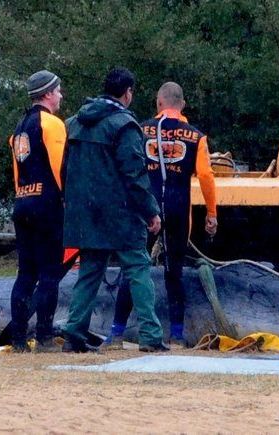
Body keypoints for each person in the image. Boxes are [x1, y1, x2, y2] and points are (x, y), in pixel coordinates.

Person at [61, 67, 169, 353]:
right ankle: (150, 335)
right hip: (120, 215)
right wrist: (151, 211)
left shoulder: (74, 123)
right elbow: (134, 175)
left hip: (85, 214)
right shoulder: (125, 125)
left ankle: (74, 333)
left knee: (89, 273)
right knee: (138, 269)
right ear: (127, 92)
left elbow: (64, 169)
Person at [105, 81, 217, 348]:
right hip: (178, 208)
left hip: (144, 207)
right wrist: (211, 213)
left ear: (158, 103)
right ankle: (176, 335)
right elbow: (205, 175)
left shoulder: (140, 129)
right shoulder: (195, 136)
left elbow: (126, 168)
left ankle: (116, 333)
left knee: (133, 268)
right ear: (183, 104)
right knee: (174, 271)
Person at [6, 70, 66, 353]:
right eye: (58, 91)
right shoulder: (52, 124)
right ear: (47, 94)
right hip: (46, 204)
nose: (61, 96)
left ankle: (18, 338)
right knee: (50, 273)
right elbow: (60, 169)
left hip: (23, 200)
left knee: (25, 273)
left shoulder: (20, 127)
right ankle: (43, 337)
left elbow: (18, 173)